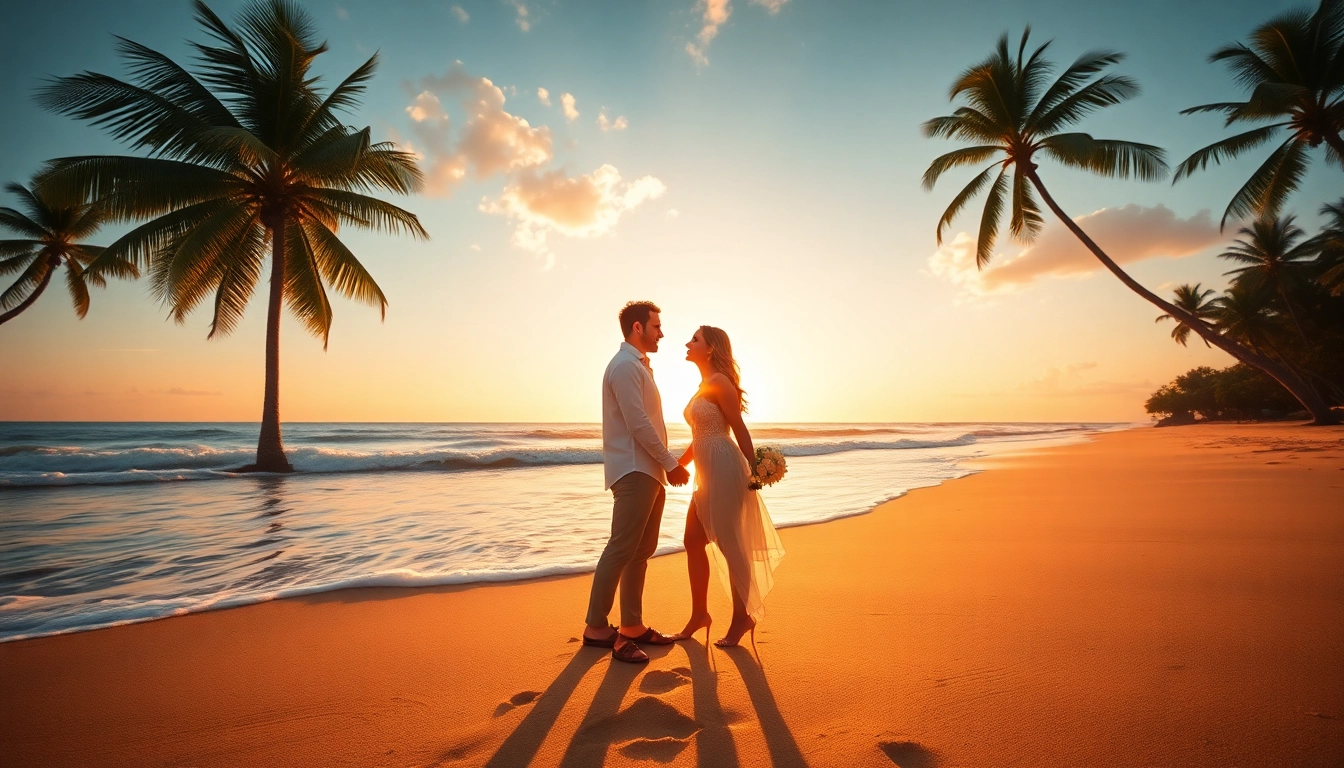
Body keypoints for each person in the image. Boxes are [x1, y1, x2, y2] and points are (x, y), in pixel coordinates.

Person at [581, 301, 691, 664]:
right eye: (657, 326)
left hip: (648, 471)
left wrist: (663, 467)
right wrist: (670, 462)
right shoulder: (625, 366)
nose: (662, 332)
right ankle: (596, 627)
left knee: (640, 552)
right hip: (633, 470)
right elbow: (637, 423)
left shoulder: (639, 366)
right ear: (638, 328)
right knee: (621, 548)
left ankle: (631, 625)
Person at [673, 325, 784, 648]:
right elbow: (700, 436)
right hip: (707, 471)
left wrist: (755, 469)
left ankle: (742, 616)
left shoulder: (720, 382)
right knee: (693, 540)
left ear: (710, 348)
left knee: (729, 544)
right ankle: (699, 615)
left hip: (723, 467)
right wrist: (678, 464)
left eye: (695, 339)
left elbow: (737, 428)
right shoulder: (702, 385)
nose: (688, 343)